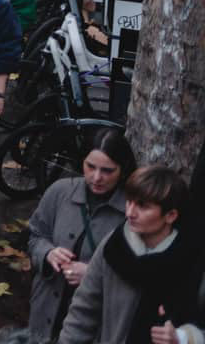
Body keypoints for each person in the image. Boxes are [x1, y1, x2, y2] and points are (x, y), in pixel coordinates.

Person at [57, 165, 194, 344]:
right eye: (129, 201)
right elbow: (84, 309)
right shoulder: (115, 246)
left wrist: (183, 338)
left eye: (142, 206)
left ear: (170, 215)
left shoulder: (189, 259)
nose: (130, 213)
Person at [26, 129, 135, 342]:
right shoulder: (59, 192)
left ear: (123, 170)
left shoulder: (131, 214)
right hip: (43, 315)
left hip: (94, 327)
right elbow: (34, 235)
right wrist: (47, 253)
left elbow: (136, 277)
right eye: (90, 166)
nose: (97, 177)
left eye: (107, 171)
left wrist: (92, 277)